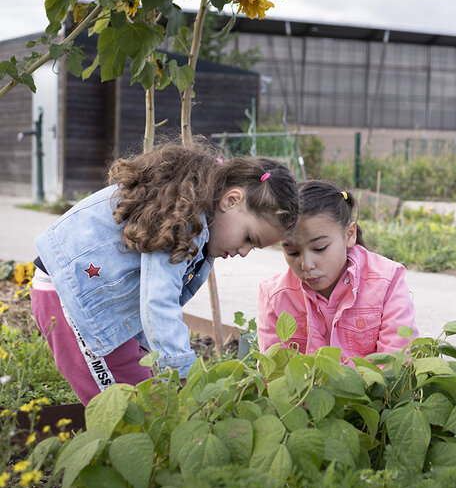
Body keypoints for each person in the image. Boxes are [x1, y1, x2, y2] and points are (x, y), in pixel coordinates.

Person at [30, 141, 298, 405]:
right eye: (249, 238)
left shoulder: (194, 212)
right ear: (231, 200)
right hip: (72, 295)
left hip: (87, 293)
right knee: (129, 409)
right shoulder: (183, 219)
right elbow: (159, 302)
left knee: (145, 396)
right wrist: (185, 374)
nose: (243, 252)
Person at [257, 180, 418, 360]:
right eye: (292, 252)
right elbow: (273, 372)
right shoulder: (274, 296)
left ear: (349, 234)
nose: (306, 265)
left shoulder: (387, 280)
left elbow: (396, 361)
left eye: (320, 248)